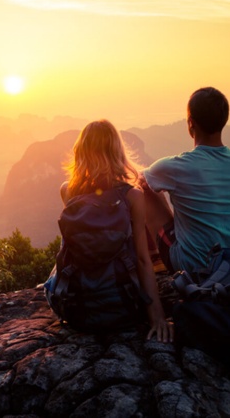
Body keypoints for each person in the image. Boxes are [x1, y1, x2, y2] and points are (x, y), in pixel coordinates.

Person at [61, 119, 173, 342]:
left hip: (78, 308)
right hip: (124, 304)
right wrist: (157, 317)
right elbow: (142, 259)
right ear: (117, 151)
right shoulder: (133, 196)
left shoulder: (68, 191)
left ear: (81, 151)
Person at [141, 87, 230, 275]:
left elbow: (140, 179)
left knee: (144, 191)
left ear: (191, 123)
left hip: (192, 265)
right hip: (227, 264)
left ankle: (153, 264)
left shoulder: (174, 167)